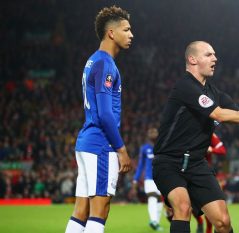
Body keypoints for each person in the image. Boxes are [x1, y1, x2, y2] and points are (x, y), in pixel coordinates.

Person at [152, 40, 239, 233]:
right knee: (183, 207)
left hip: (196, 164)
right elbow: (219, 114)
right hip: (169, 162)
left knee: (222, 221)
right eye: (208, 55)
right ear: (192, 59)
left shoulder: (213, 92)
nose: (215, 58)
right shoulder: (185, 87)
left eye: (214, 55)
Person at [64, 5, 133, 233]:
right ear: (111, 33)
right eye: (126, 29)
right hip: (100, 145)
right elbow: (105, 114)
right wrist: (121, 149)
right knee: (99, 210)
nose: (131, 34)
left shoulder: (93, 60)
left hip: (86, 143)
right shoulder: (106, 64)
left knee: (81, 211)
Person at [133, 127, 164, 231]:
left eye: (154, 131)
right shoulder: (145, 148)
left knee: (160, 199)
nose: (152, 133)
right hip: (149, 178)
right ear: (148, 135)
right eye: (150, 132)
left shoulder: (162, 146)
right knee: (152, 196)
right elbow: (141, 165)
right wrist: (135, 179)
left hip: (161, 178)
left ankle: (156, 222)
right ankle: (154, 220)